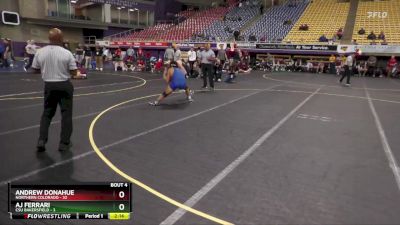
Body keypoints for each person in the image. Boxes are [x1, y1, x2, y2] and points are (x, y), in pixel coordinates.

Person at [32, 28, 77, 152]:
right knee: (66, 115)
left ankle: (41, 140)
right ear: (61, 39)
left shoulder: (40, 52)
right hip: (64, 85)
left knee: (47, 114)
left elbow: (35, 69)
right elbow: (74, 72)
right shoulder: (67, 53)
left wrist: (46, 69)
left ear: (49, 38)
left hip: (49, 86)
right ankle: (64, 143)